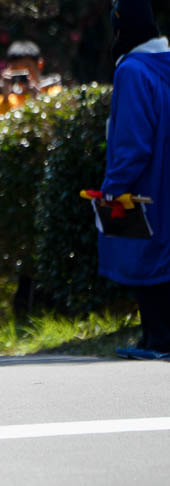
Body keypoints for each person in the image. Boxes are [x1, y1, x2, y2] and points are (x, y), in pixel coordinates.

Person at [101, 0, 170, 360]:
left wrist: (114, 188)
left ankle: (156, 340)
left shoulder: (132, 69)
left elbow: (132, 142)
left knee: (145, 258)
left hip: (149, 185)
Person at [0, 40, 62, 122]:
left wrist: (38, 100)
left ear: (40, 65)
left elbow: (56, 122)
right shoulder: (6, 99)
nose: (22, 74)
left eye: (26, 67)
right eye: (16, 69)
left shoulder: (54, 92)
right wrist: (5, 99)